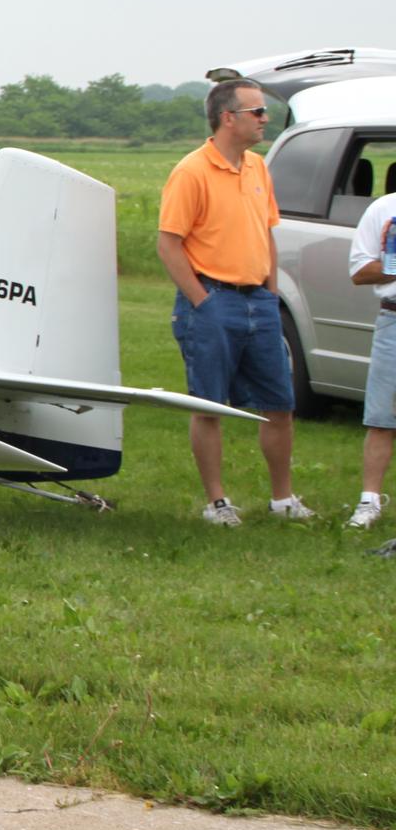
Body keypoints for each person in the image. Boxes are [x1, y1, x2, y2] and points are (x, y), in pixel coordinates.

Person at [156, 77, 309, 526]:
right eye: (257, 112)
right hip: (212, 301)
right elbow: (169, 244)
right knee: (210, 404)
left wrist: (270, 291)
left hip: (259, 302)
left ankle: (283, 499)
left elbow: (265, 232)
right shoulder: (192, 171)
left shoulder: (258, 168)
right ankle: (218, 503)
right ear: (228, 118)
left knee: (280, 404)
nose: (265, 120)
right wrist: (202, 302)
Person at [345, 195, 396, 529]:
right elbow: (360, 271)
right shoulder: (384, 209)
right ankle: (369, 502)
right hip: (394, 321)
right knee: (382, 417)